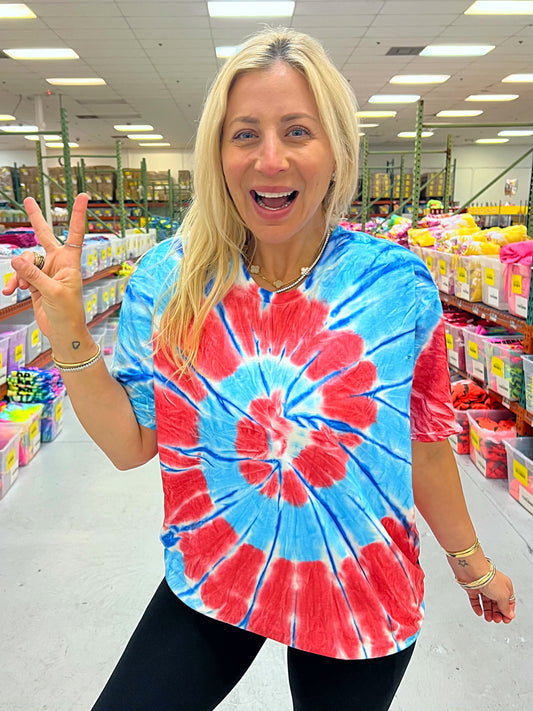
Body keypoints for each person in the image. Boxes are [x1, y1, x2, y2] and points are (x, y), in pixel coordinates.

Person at [4, 27, 515, 711]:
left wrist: (470, 561)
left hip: (358, 589)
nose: (269, 159)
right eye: (245, 134)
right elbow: (131, 445)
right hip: (217, 572)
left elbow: (423, 445)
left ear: (335, 151)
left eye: (297, 131)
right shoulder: (169, 281)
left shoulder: (396, 285)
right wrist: (68, 335)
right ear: (217, 153)